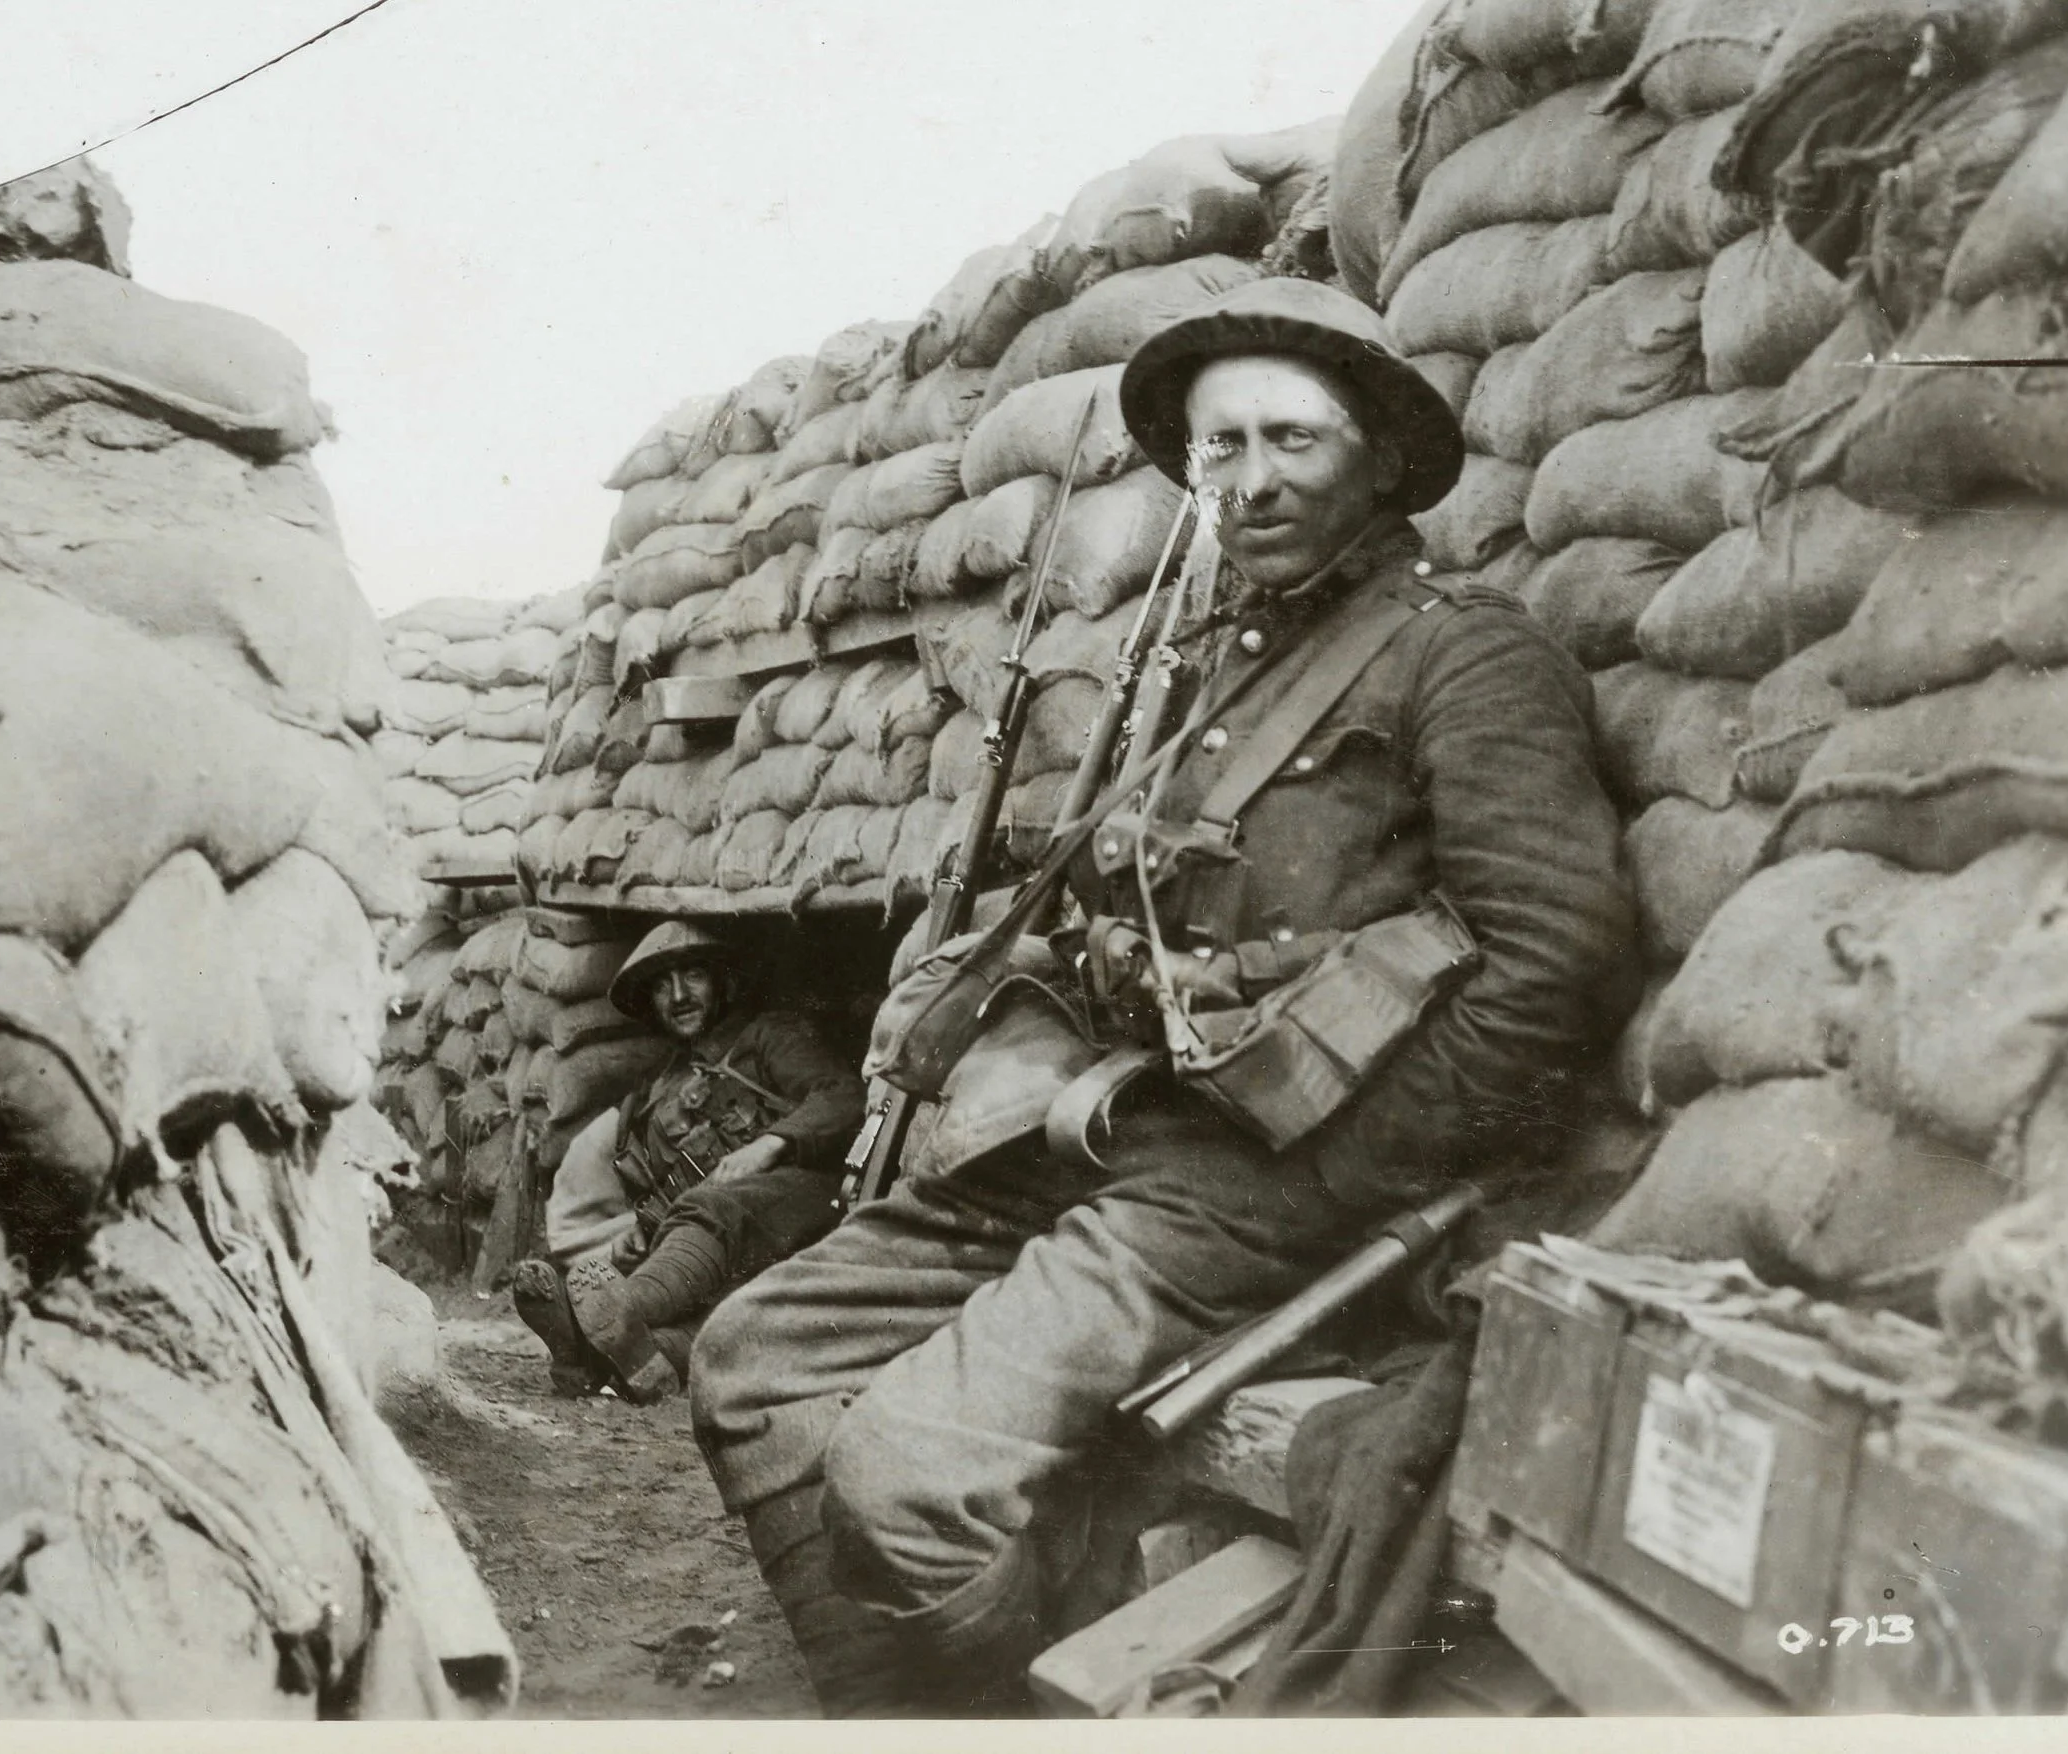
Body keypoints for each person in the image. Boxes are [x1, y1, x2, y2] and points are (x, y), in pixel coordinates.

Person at [684, 277, 1641, 1715]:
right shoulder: (1208, 668)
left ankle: (988, 1704)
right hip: (1127, 1127)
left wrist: (1344, 1166)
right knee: (753, 1358)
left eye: (1292, 439)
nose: (1253, 479)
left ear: (1381, 457)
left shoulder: (1466, 653)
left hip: (1282, 1176)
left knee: (902, 1480)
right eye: (1221, 447)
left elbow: (1554, 962)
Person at [514, 921, 861, 1404]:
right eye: (662, 986)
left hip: (806, 1211)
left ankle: (593, 1320)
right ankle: (611, 1358)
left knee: (713, 1208)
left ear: (723, 983)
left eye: (693, 976)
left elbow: (844, 1096)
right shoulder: (652, 1096)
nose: (678, 996)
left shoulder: (768, 1037)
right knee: (717, 1323)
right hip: (727, 1252)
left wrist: (769, 1145)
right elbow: (665, 1198)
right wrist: (645, 1233)